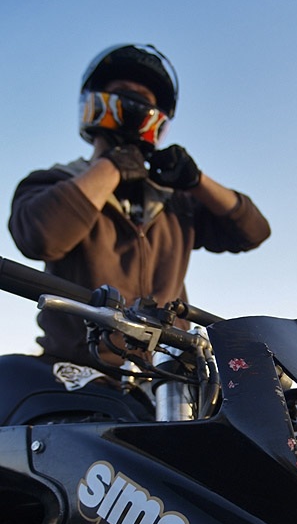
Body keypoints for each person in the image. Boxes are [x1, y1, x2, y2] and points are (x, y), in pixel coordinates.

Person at [8, 43, 271, 371]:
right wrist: (112, 166)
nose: (134, 103)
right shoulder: (55, 181)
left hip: (170, 378)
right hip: (77, 372)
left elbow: (253, 231)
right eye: (122, 92)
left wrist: (196, 180)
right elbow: (40, 237)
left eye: (145, 99)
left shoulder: (176, 200)